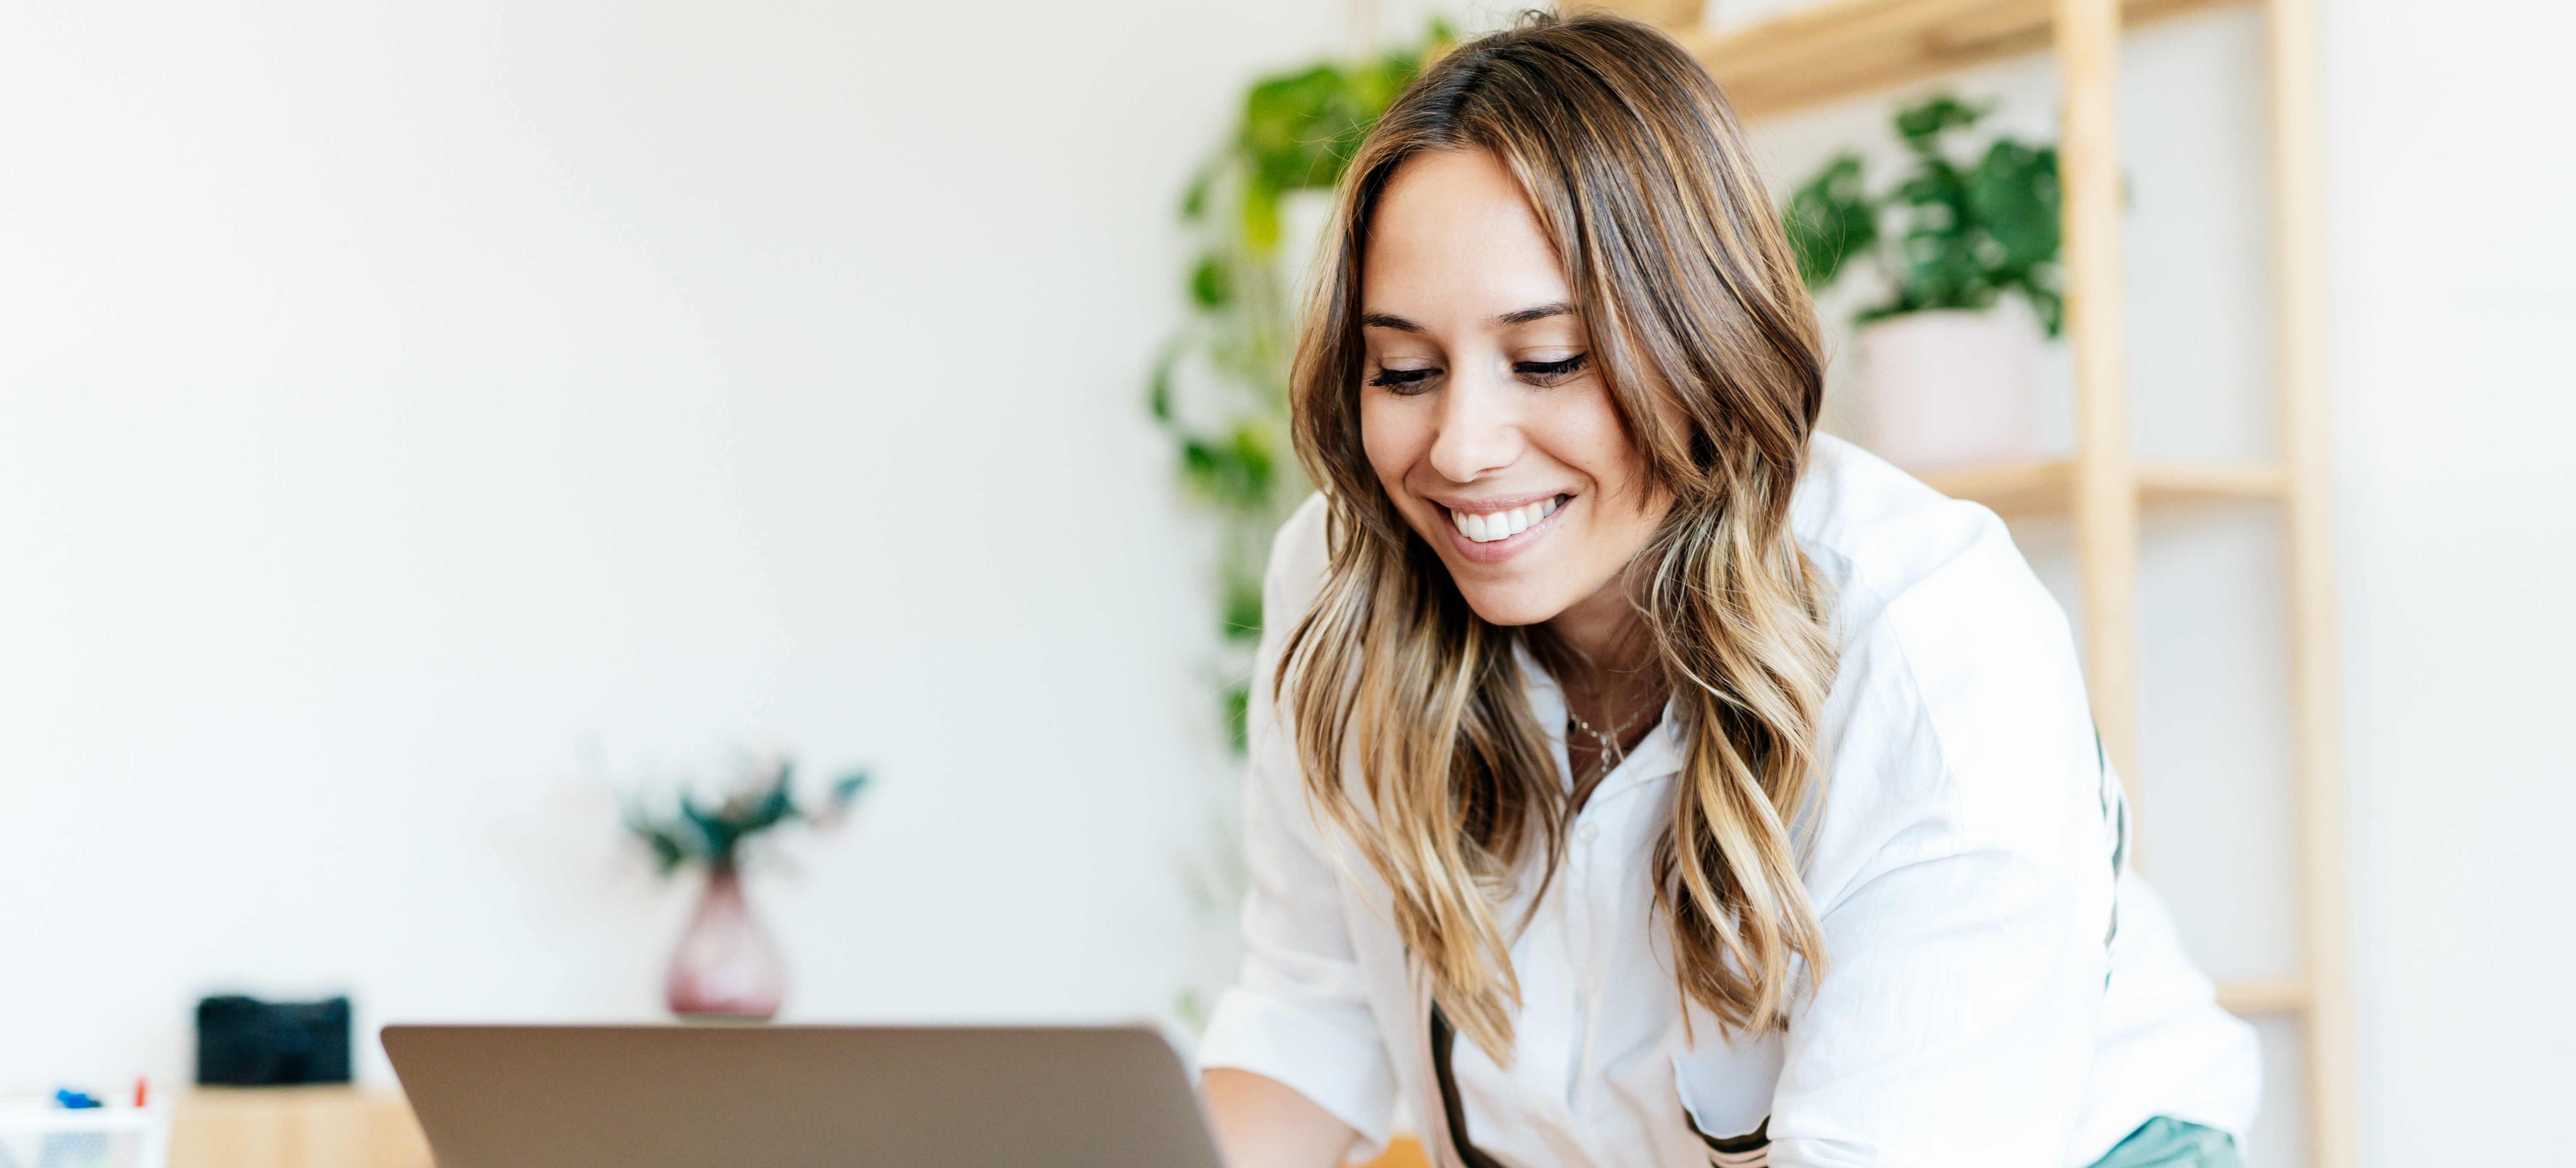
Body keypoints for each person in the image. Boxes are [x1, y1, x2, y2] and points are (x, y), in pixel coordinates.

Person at [1191, 12, 2259, 1168]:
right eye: (1403, 370)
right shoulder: (1343, 583)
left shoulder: (1931, 646)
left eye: (1548, 359)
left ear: (1700, 340)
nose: (1460, 447)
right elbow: (1313, 1008)